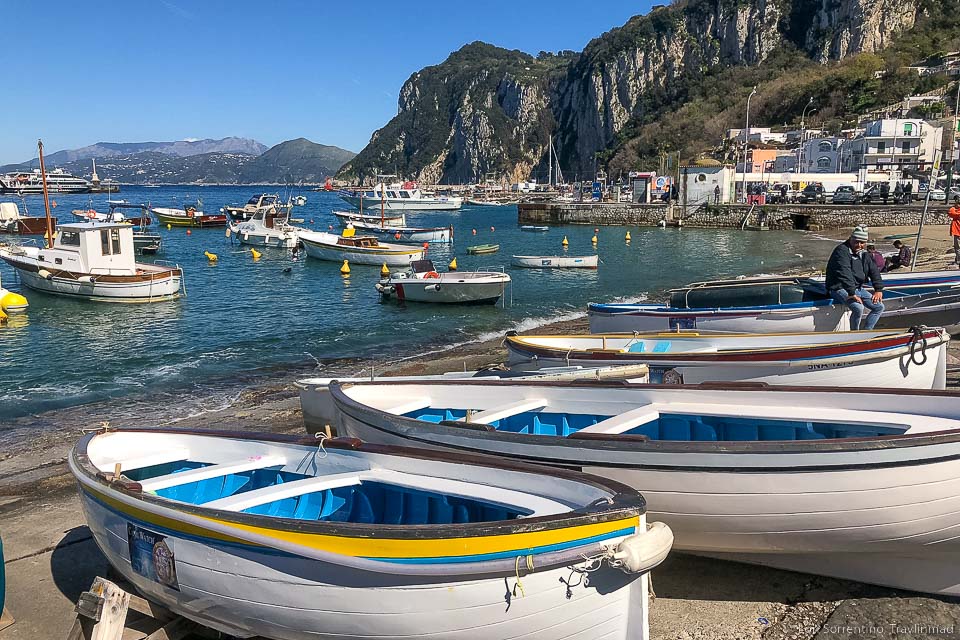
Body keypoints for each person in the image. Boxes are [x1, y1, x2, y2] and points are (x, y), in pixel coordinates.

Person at [825, 225, 884, 330]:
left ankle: (867, 331)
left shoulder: (864, 254)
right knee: (858, 308)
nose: (859, 245)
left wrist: (878, 289)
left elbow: (874, 270)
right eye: (856, 241)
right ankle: (854, 333)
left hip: (858, 288)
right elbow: (844, 272)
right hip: (839, 287)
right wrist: (852, 293)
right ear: (850, 239)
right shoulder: (842, 251)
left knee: (879, 307)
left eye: (862, 243)